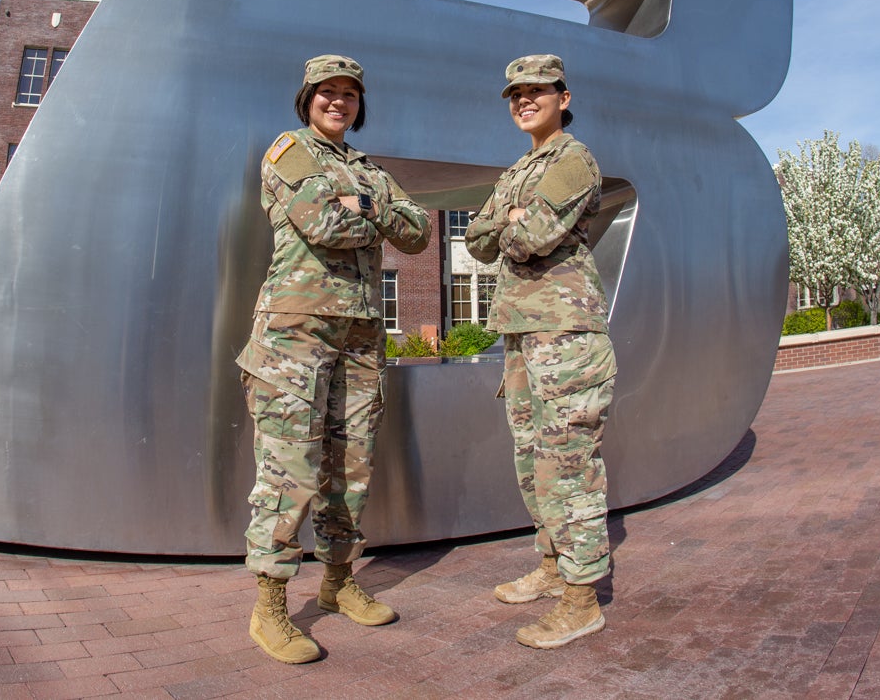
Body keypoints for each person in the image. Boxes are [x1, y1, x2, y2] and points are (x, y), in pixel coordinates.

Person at [238, 54, 432, 664]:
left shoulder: (367, 169)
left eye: (349, 94)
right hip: (296, 333)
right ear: (307, 98)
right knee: (289, 468)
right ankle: (269, 606)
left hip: (360, 336)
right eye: (327, 92)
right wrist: (377, 214)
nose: (338, 102)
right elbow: (321, 224)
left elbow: (420, 232)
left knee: (350, 467)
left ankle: (338, 582)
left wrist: (362, 210)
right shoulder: (286, 151)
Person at [465, 53, 618, 649]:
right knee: (532, 462)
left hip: (565, 333)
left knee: (568, 463)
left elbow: (532, 238)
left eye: (536, 91)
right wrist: (513, 214)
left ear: (563, 96)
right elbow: (479, 241)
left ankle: (582, 601)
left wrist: (511, 222)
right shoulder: (516, 172)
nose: (523, 100)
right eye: (515, 94)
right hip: (524, 335)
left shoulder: (573, 159)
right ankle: (554, 568)